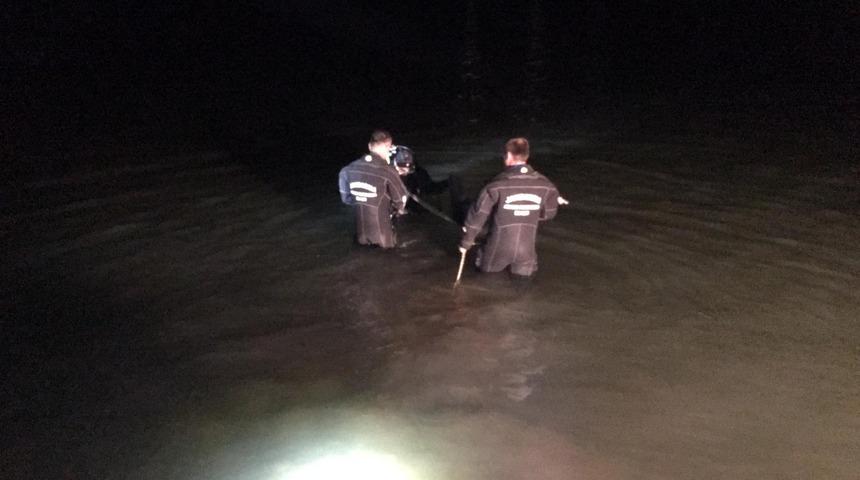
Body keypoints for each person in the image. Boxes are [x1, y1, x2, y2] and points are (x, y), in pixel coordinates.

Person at [458, 137, 561, 278]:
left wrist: (465, 243)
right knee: (523, 289)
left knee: (486, 285)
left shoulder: (495, 185)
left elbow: (478, 216)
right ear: (527, 156)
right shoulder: (546, 185)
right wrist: (525, 213)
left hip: (497, 249)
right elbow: (549, 214)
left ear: (508, 155)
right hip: (527, 251)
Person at [339, 130, 409, 248]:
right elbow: (401, 200)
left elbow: (346, 199)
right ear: (388, 147)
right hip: (383, 239)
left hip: (359, 237)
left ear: (369, 146)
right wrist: (396, 209)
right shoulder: (388, 171)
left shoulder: (346, 170)